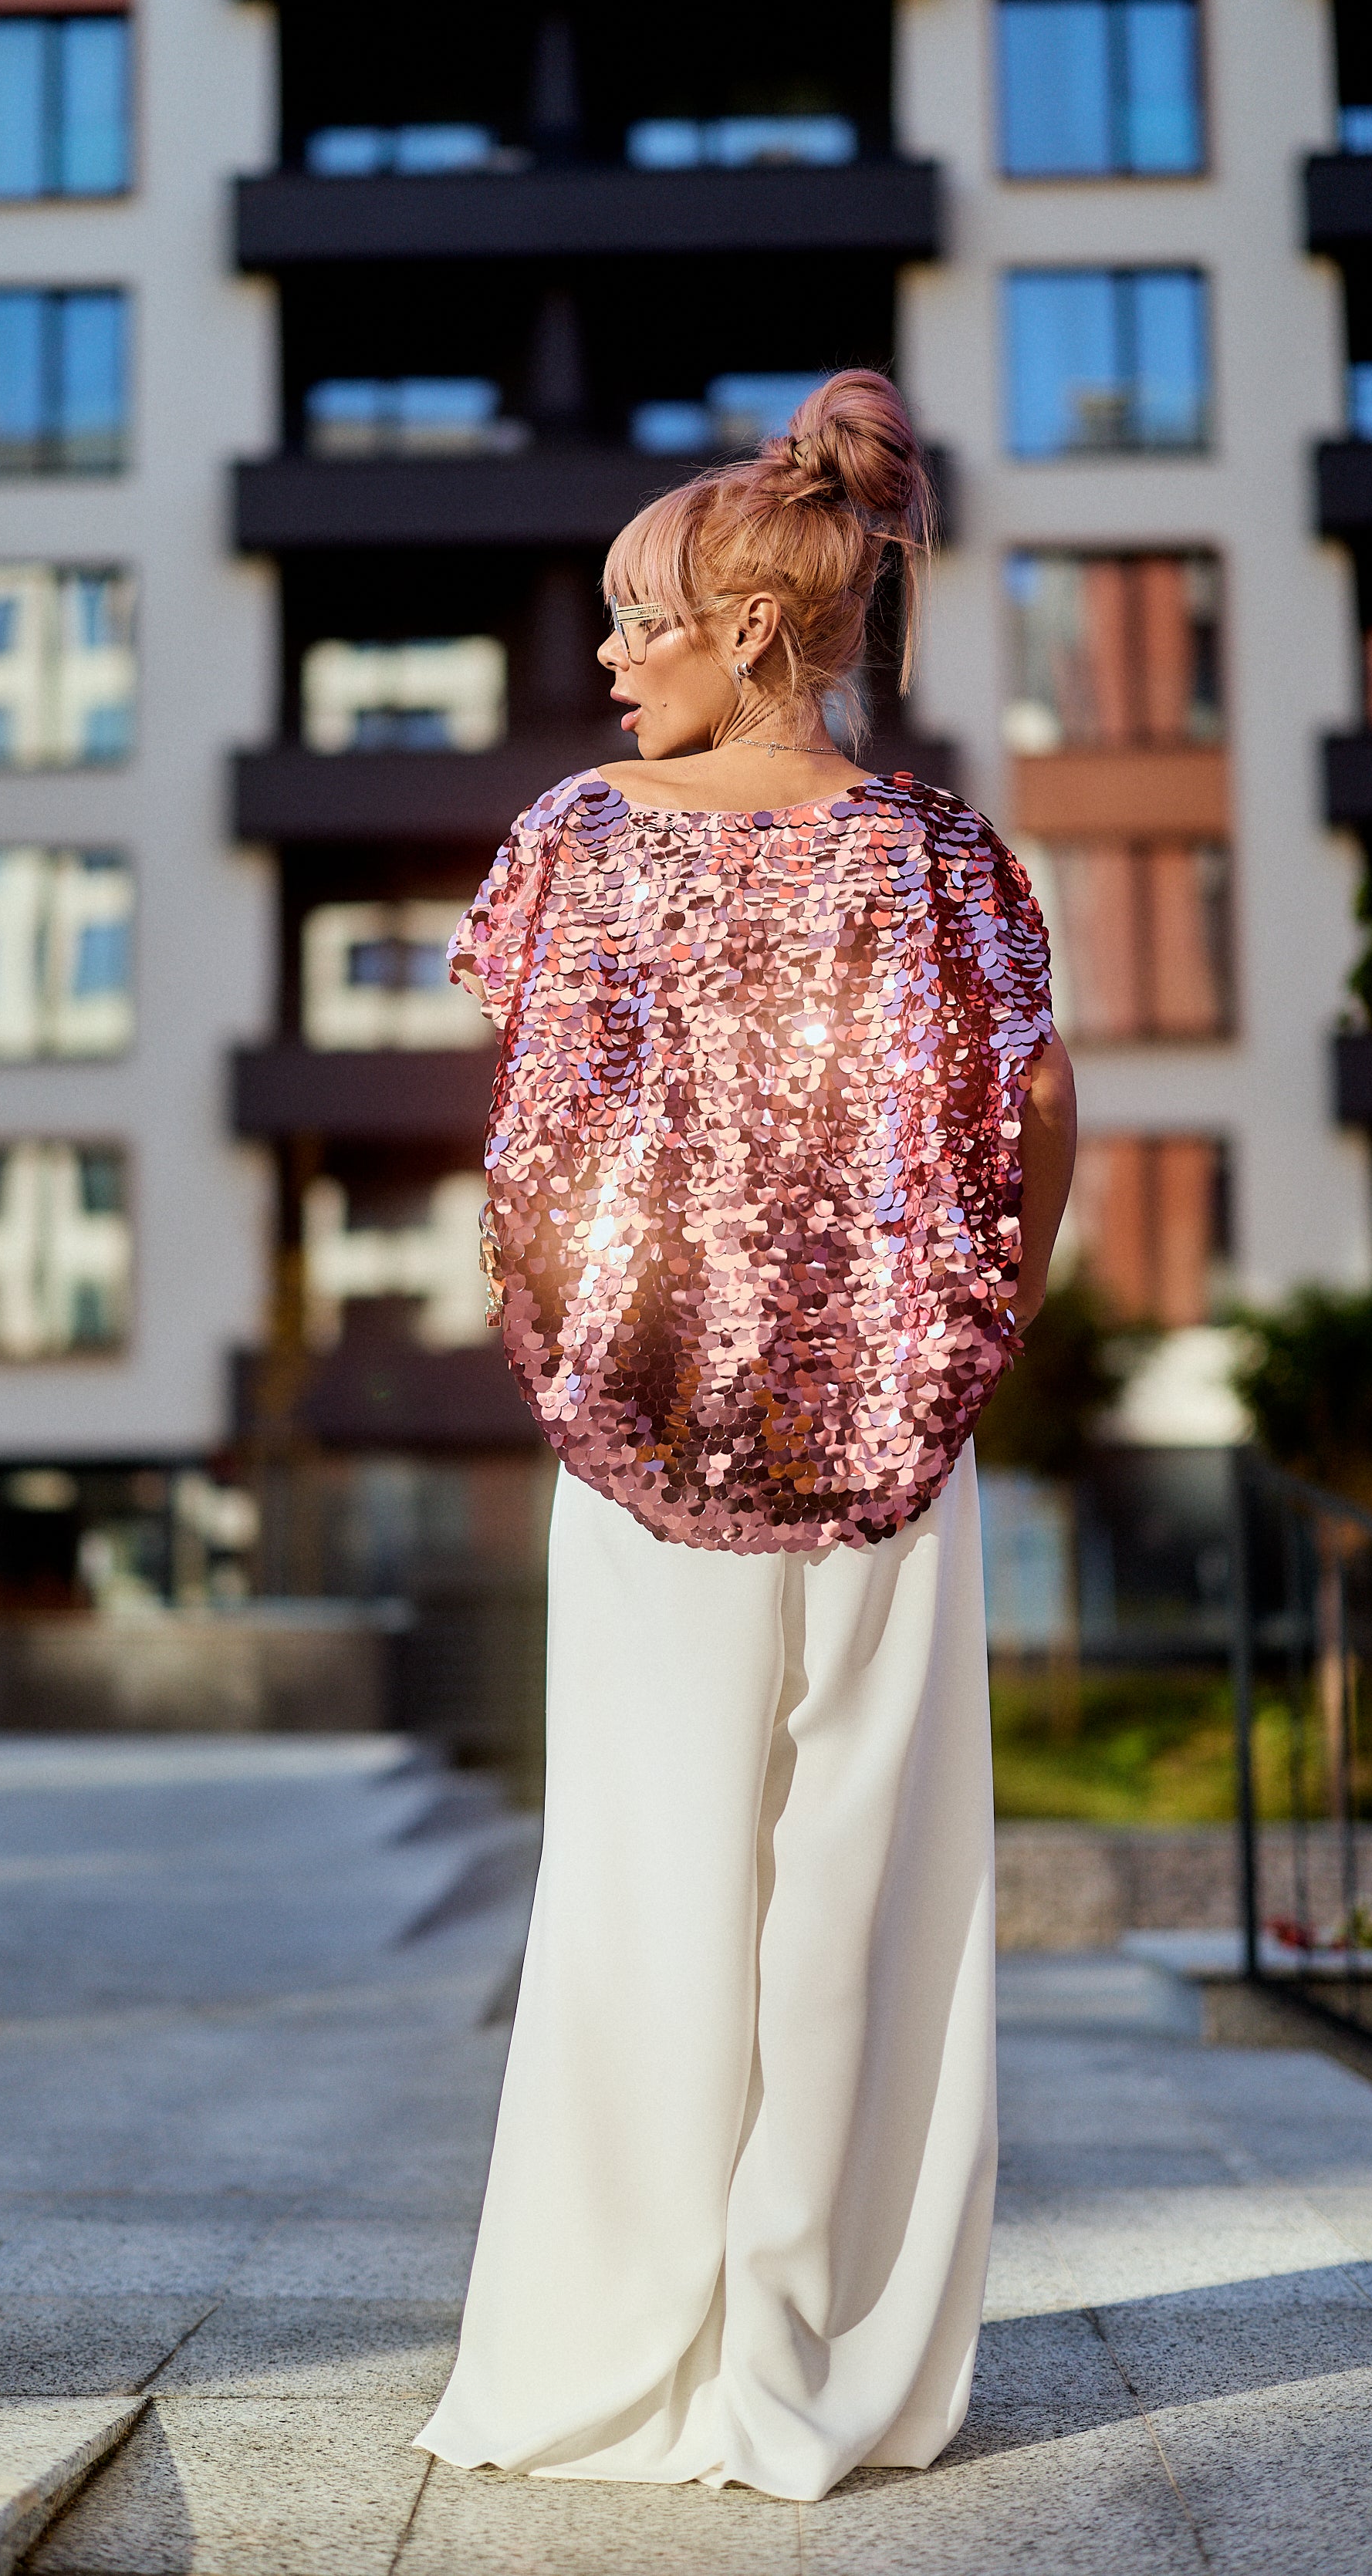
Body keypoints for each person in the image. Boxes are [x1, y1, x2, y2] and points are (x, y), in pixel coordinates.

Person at [416, 369, 1077, 2503]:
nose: (607, 657)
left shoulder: (573, 848)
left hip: (641, 1422)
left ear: (759, 634)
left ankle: (616, 2347)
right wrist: (976, 1320)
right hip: (899, 1421)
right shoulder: (942, 855)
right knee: (869, 1891)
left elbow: (519, 1135)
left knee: (641, 1868)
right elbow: (1037, 1117)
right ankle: (822, 2359)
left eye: (644, 620)